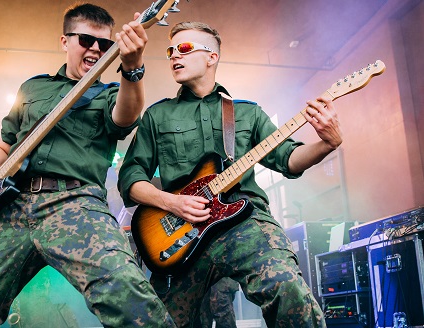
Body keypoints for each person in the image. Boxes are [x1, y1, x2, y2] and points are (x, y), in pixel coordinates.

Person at [0, 3, 175, 327]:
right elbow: (6, 143)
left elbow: (127, 114)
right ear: (65, 41)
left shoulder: (110, 93)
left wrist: (133, 68)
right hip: (12, 206)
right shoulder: (32, 88)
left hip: (76, 204)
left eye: (105, 44)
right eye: (86, 40)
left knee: (129, 296)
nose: (96, 48)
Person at [118, 21, 341, 327]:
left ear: (212, 57)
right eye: (170, 50)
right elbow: (130, 178)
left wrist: (327, 144)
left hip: (244, 223)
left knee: (288, 289)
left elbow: (288, 159)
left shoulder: (246, 112)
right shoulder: (158, 114)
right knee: (155, 321)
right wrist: (171, 203)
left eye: (183, 48)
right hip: (182, 234)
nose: (173, 56)